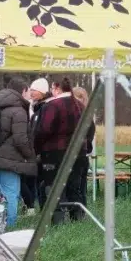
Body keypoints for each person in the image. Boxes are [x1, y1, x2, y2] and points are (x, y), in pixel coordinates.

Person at [0, 77, 37, 228]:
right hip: (10, 160)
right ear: (23, 91)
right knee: (10, 195)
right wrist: (29, 155)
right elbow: (20, 139)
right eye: (28, 92)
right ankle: (9, 227)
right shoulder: (18, 110)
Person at [34, 77, 83, 225]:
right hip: (78, 153)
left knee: (54, 189)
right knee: (75, 188)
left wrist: (37, 148)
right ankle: (78, 221)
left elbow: (43, 130)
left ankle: (58, 223)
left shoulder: (52, 106)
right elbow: (90, 128)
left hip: (54, 153)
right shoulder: (80, 105)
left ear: (56, 88)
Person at [26, 77, 50, 212]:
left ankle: (45, 209)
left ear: (42, 92)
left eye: (34, 90)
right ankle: (42, 209)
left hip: (44, 152)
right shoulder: (36, 107)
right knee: (39, 182)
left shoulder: (45, 108)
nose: (31, 93)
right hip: (37, 152)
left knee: (43, 183)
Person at [70, 86, 95, 217]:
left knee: (77, 186)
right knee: (79, 186)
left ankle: (79, 214)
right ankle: (79, 213)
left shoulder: (86, 118)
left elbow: (89, 139)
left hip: (79, 156)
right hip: (80, 156)